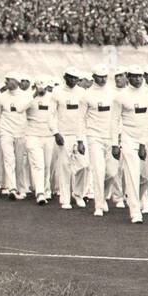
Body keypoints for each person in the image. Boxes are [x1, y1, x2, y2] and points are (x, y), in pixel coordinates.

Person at [114, 67, 148, 223]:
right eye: (134, 77)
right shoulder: (121, 97)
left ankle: (135, 195)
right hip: (129, 139)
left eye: (140, 77)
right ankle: (135, 211)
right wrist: (114, 144)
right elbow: (114, 121)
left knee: (147, 176)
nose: (137, 79)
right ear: (128, 77)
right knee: (132, 174)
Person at [51, 68, 89, 209]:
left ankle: (78, 194)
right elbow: (51, 115)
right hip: (64, 135)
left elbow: (85, 116)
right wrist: (56, 133)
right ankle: (65, 199)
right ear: (65, 77)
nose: (73, 80)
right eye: (70, 77)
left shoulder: (82, 93)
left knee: (84, 165)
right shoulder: (57, 92)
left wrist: (81, 138)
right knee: (65, 167)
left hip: (80, 134)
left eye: (75, 78)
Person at [84, 65, 119, 215]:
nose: (103, 79)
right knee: (98, 170)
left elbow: (118, 117)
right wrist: (80, 139)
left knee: (112, 172)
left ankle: (103, 197)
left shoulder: (113, 93)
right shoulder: (87, 95)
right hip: (94, 136)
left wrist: (118, 136)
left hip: (111, 136)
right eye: (100, 76)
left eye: (105, 76)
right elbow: (80, 118)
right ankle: (98, 205)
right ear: (94, 77)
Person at [25, 75, 59, 205]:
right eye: (39, 88)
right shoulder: (29, 96)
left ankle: (46, 189)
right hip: (33, 135)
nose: (41, 90)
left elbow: (56, 115)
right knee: (38, 165)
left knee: (47, 165)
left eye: (43, 88)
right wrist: (33, 96)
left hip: (48, 135)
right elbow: (20, 109)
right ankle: (40, 193)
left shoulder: (52, 98)